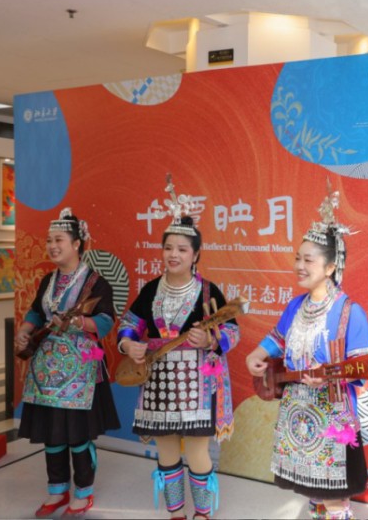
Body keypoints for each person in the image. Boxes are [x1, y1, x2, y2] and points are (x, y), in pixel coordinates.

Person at [246, 184, 368, 520]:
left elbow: (361, 367)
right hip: (298, 413)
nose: (299, 265)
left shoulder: (350, 311)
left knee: (334, 500)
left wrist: (330, 376)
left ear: (330, 267)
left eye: (308, 260)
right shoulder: (295, 305)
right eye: (297, 258)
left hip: (333, 417)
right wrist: (256, 354)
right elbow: (277, 339)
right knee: (313, 494)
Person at [117, 176, 239, 520]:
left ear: (195, 254)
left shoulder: (209, 292)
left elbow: (232, 330)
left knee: (197, 451)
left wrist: (211, 340)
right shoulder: (150, 290)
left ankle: (202, 514)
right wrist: (128, 344)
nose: (173, 255)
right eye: (168, 248)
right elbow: (129, 324)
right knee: (167, 450)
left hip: (198, 383)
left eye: (182, 249)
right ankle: (176, 513)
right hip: (158, 381)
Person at [14, 207, 120, 518]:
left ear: (76, 244)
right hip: (46, 369)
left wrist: (78, 323)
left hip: (80, 369)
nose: (52, 246)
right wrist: (25, 329)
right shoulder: (49, 280)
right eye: (49, 240)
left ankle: (83, 492)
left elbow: (106, 320)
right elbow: (37, 312)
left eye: (58, 239)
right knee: (51, 432)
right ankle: (57, 489)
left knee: (77, 433)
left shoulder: (95, 282)